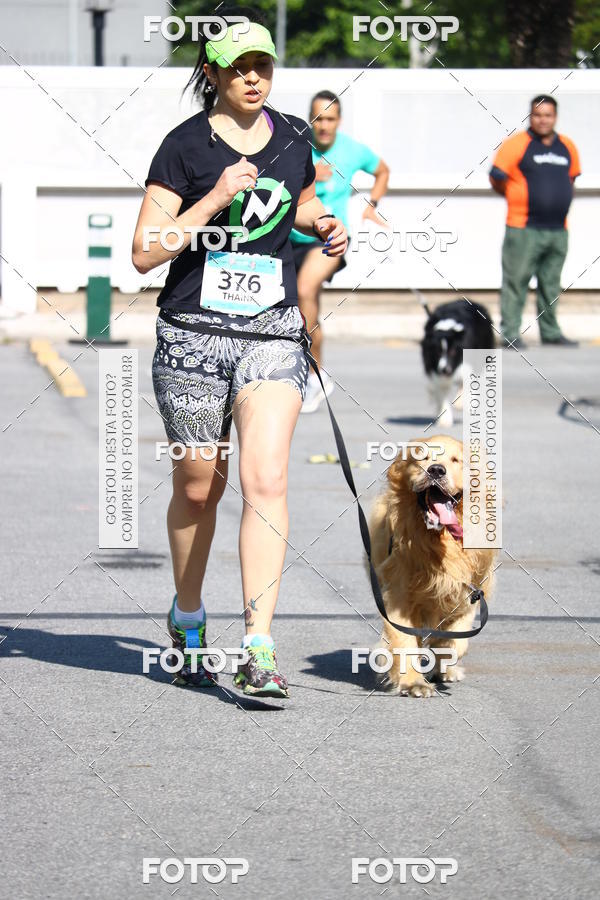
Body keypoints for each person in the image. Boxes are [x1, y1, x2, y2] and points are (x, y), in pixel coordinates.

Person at [131, 8, 348, 698]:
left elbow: (301, 201)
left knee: (268, 481)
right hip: (193, 333)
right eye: (239, 67)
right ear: (212, 73)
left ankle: (258, 645)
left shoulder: (290, 135)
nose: (253, 77)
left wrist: (325, 223)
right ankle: (189, 615)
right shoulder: (183, 148)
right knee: (200, 486)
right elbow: (144, 251)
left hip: (272, 331)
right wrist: (214, 199)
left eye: (262, 66)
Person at [289, 91, 390, 411]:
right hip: (290, 238)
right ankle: (305, 372)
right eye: (318, 119)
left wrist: (372, 205)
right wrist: (307, 175)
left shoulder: (351, 150)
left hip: (329, 239)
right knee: (301, 309)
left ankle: (313, 376)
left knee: (306, 289)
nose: (324, 126)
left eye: (330, 119)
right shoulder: (297, 145)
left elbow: (382, 171)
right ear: (311, 120)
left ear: (339, 121)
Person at [489, 95, 580, 349]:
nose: (543, 120)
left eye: (548, 115)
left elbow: (571, 179)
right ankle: (511, 333)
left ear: (555, 117)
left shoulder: (567, 147)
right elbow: (497, 177)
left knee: (551, 283)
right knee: (516, 281)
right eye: (538, 115)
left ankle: (551, 333)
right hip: (523, 227)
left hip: (558, 230)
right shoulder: (516, 144)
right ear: (531, 116)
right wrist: (515, 197)